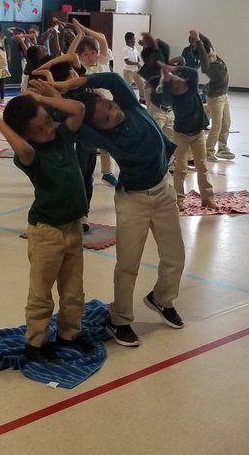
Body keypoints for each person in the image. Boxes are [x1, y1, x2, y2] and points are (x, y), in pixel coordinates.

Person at [48, 72, 186, 348]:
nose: (115, 114)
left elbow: (112, 79)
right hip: (133, 200)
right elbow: (72, 120)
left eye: (111, 106)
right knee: (128, 264)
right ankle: (119, 318)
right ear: (100, 132)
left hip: (163, 192)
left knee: (175, 256)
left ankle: (161, 298)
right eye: (107, 119)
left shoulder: (131, 106)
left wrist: (71, 83)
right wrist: (53, 98)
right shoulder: (106, 141)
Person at [0, 83, 89, 363]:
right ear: (25, 135)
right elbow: (22, 147)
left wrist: (41, 99)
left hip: (72, 227)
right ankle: (36, 342)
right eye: (38, 130)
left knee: (73, 289)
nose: (47, 130)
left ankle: (71, 333)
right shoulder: (30, 155)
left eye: (47, 122)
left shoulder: (61, 135)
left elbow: (79, 108)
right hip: (46, 233)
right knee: (41, 293)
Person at [159, 61, 215, 210]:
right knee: (181, 168)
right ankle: (179, 200)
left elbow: (193, 72)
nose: (179, 82)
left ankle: (207, 198)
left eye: (179, 79)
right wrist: (166, 76)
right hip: (181, 135)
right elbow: (164, 98)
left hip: (198, 134)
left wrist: (173, 68)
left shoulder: (191, 88)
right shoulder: (173, 99)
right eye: (175, 83)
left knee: (202, 166)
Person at [187, 32, 233, 162]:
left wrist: (198, 35)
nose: (212, 54)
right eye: (209, 55)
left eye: (212, 52)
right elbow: (203, 52)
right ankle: (208, 151)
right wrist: (198, 43)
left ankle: (223, 148)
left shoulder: (217, 58)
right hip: (215, 98)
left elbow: (207, 43)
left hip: (224, 96)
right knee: (217, 125)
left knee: (226, 123)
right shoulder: (207, 67)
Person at [121, 32, 145, 101]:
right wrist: (136, 63)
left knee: (141, 84)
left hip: (135, 70)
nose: (135, 41)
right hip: (128, 71)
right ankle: (125, 100)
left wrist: (138, 60)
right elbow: (127, 61)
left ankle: (142, 99)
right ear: (129, 40)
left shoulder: (134, 48)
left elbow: (137, 55)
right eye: (134, 39)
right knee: (127, 86)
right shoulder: (125, 49)